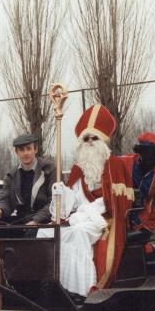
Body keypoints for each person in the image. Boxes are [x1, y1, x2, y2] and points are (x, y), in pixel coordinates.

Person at [38, 104, 133, 298]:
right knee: (46, 231)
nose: (89, 142)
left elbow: (116, 203)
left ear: (103, 141)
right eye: (86, 138)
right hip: (78, 217)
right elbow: (69, 204)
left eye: (94, 138)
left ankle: (81, 290)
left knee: (79, 233)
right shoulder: (78, 168)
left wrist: (86, 212)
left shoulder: (114, 164)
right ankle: (49, 284)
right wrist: (60, 193)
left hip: (104, 219)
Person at [0, 133, 55, 225]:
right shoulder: (11, 175)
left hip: (45, 221)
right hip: (22, 220)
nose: (25, 153)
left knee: (31, 233)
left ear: (35, 149)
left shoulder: (50, 170)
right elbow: (6, 200)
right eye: (21, 150)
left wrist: (36, 220)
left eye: (29, 148)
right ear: (17, 152)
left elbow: (55, 201)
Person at [120, 132, 155, 242]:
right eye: (147, 153)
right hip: (116, 220)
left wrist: (147, 230)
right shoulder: (121, 163)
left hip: (139, 224)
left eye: (154, 156)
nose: (150, 158)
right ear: (140, 151)